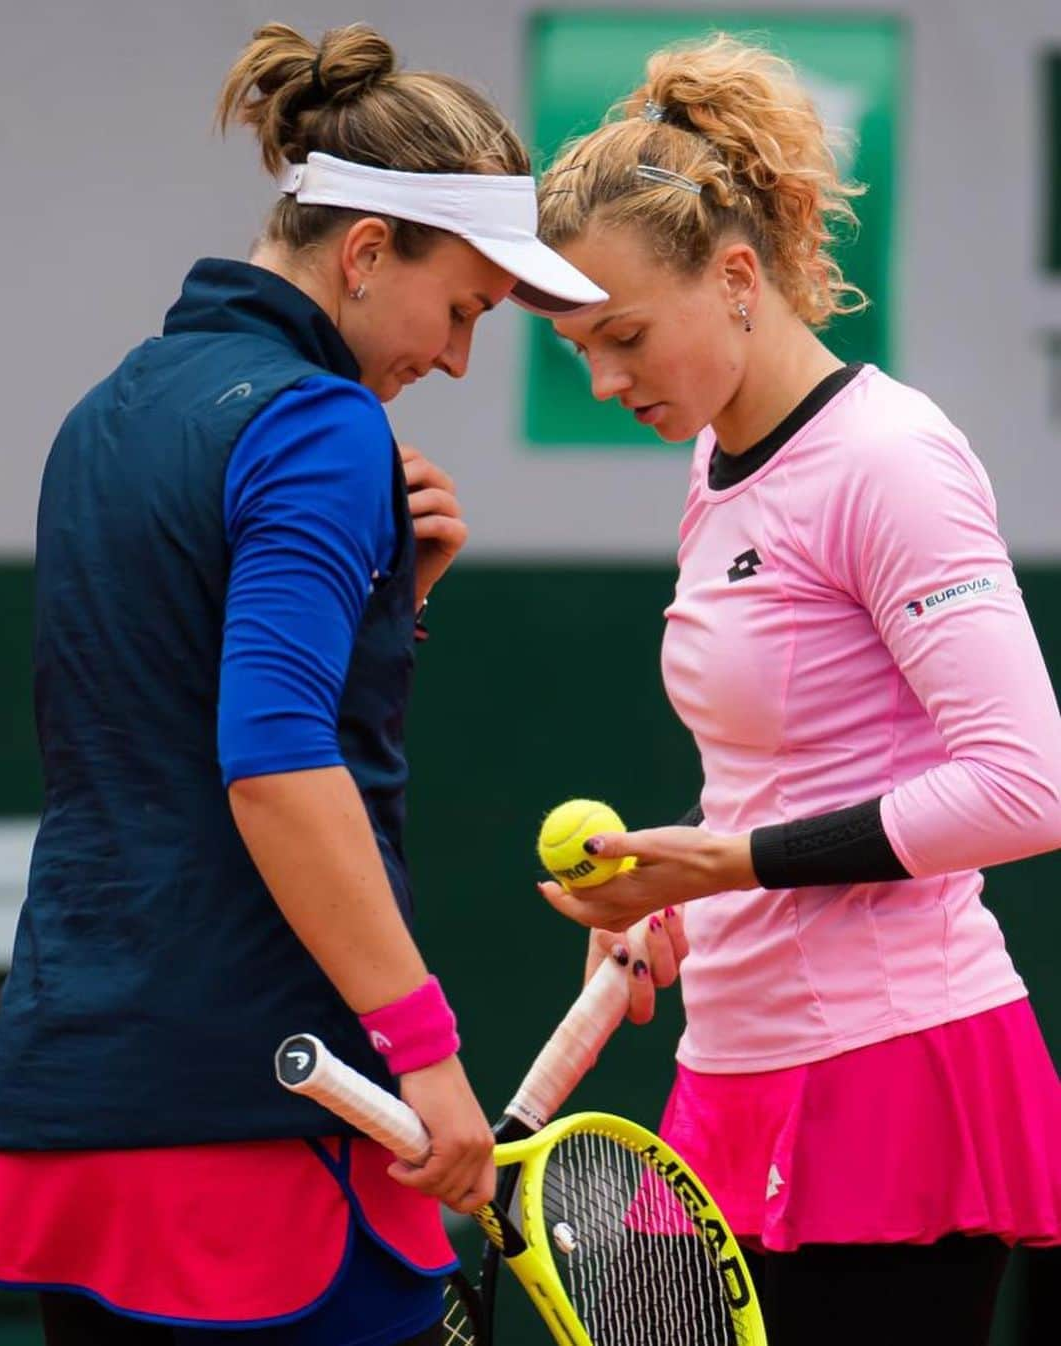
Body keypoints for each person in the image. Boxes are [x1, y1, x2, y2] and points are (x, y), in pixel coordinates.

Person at [0, 21, 607, 1346]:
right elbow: (271, 762)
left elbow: (164, 709)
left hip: (75, 1112)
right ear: (367, 252)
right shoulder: (323, 428)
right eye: (461, 311)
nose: (453, 360)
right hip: (259, 1134)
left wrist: (396, 600)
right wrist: (427, 1050)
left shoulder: (109, 411)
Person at [534, 33, 1061, 1346]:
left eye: (625, 335)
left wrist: (730, 866)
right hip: (733, 1065)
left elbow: (1027, 786)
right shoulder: (713, 472)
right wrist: (676, 914)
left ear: (736, 276)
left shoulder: (891, 459)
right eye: (578, 348)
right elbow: (783, 770)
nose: (605, 380)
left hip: (892, 1075)